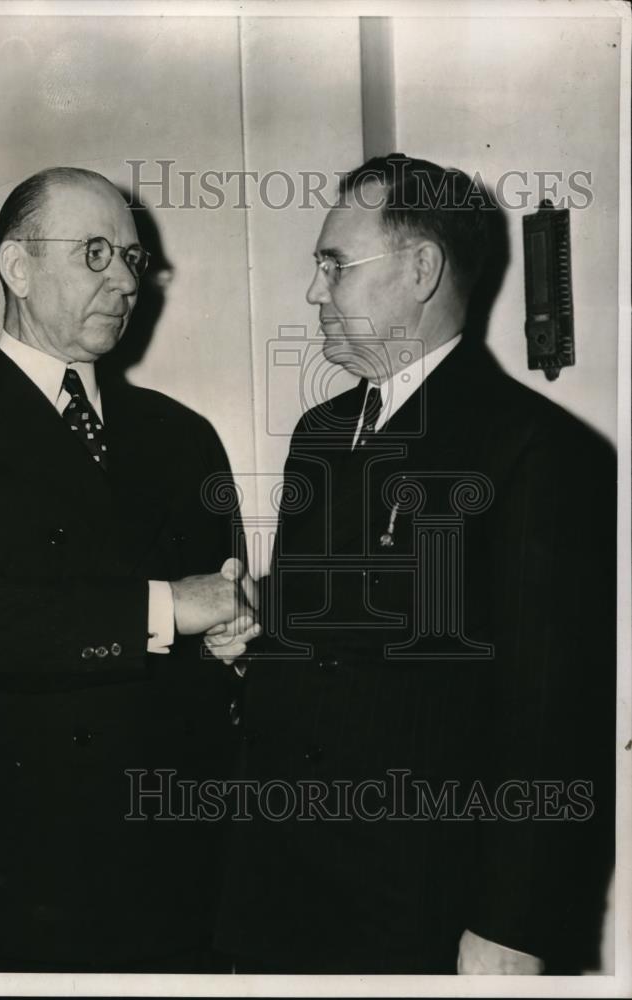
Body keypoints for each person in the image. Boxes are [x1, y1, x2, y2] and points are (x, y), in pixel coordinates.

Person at [210, 154, 616, 974]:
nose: (312, 292)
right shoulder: (321, 433)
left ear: (421, 269)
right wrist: (256, 635)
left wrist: (511, 928)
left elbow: (549, 718)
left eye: (333, 265)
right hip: (282, 885)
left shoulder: (533, 449)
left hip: (423, 904)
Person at [0, 166, 253, 973]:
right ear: (17, 266)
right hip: (4, 864)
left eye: (132, 258)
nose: (124, 279)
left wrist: (234, 638)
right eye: (94, 253)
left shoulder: (182, 436)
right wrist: (161, 611)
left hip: (171, 861)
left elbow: (211, 613)